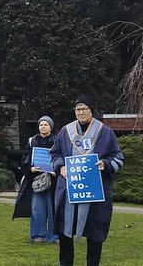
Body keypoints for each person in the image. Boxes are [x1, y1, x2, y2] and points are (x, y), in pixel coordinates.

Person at [50, 96, 125, 266]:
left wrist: (105, 164)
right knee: (65, 231)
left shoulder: (105, 132)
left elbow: (118, 157)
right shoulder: (65, 131)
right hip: (69, 190)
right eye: (78, 109)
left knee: (95, 231)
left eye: (84, 109)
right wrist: (61, 166)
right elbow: (55, 154)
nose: (81, 112)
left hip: (95, 192)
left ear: (92, 110)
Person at [12, 116, 58, 243]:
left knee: (53, 208)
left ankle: (54, 236)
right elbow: (25, 157)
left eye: (46, 125)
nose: (43, 127)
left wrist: (56, 170)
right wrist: (30, 169)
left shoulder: (57, 140)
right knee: (37, 208)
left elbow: (61, 157)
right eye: (41, 125)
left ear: (51, 127)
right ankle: (38, 235)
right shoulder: (32, 141)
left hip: (53, 180)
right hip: (36, 180)